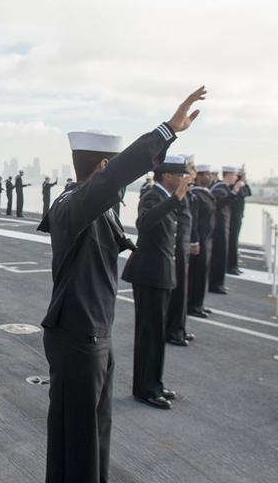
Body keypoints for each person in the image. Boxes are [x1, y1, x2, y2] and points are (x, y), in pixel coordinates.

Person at [38, 86, 206, 483]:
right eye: (111, 169)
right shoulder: (76, 204)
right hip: (79, 334)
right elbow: (118, 175)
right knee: (79, 438)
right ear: (101, 168)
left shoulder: (81, 203)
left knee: (93, 430)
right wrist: (167, 130)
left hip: (92, 331)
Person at [121, 156, 191, 409]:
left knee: (157, 334)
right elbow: (145, 222)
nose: (184, 179)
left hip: (160, 273)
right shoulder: (153, 194)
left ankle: (155, 384)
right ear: (167, 176)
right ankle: (145, 389)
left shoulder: (165, 196)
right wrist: (175, 200)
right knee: (149, 335)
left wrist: (177, 200)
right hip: (150, 274)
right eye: (180, 174)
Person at [165, 156, 199, 346]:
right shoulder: (173, 193)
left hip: (183, 246)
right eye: (185, 172)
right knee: (176, 292)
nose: (189, 175)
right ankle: (173, 331)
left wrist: (193, 241)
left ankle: (179, 328)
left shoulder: (186, 191)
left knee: (182, 291)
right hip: (176, 247)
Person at [209, 166, 245, 294]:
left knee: (222, 256)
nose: (235, 178)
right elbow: (219, 204)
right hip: (218, 228)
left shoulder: (224, 188)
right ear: (228, 175)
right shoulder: (219, 188)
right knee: (218, 257)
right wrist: (234, 192)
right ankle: (215, 284)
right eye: (234, 175)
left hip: (224, 227)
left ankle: (219, 283)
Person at [187, 165, 216, 318]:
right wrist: (194, 241)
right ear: (198, 176)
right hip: (199, 240)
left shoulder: (205, 193)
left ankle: (198, 304)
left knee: (202, 274)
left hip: (206, 239)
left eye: (210, 174)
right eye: (206, 174)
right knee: (196, 275)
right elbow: (194, 220)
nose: (210, 176)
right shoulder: (196, 194)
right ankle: (193, 306)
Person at [226, 166, 251, 275]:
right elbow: (241, 194)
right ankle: (231, 266)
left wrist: (244, 181)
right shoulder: (233, 187)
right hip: (232, 219)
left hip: (238, 218)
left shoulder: (241, 186)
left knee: (234, 243)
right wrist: (240, 183)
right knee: (232, 243)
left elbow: (248, 192)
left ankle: (234, 265)